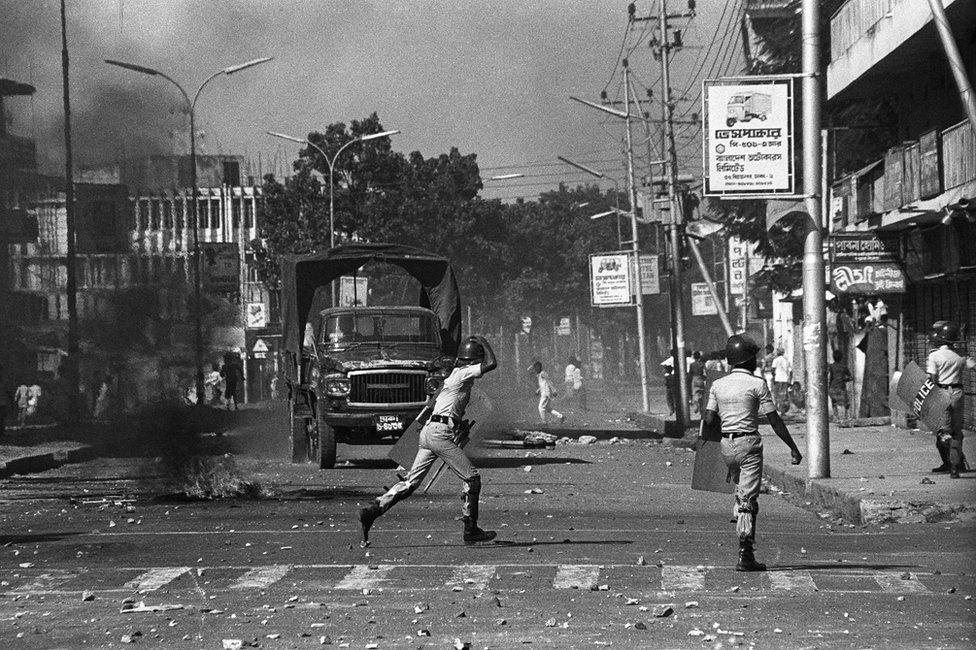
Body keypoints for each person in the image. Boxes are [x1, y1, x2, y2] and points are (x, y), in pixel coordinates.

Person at [358, 336, 499, 546]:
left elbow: (444, 408)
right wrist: (484, 342)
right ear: (471, 361)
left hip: (429, 432)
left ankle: (373, 510)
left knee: (410, 483)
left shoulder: (453, 377)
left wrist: (456, 423)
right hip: (438, 434)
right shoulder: (463, 373)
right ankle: (471, 530)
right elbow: (491, 364)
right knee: (472, 479)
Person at [704, 334, 803, 572]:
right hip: (749, 445)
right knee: (749, 501)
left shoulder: (718, 385)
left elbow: (708, 419)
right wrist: (793, 446)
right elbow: (774, 420)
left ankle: (745, 546)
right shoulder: (758, 384)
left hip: (727, 446)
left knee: (741, 495)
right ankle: (745, 555)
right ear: (749, 360)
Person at [926, 320, 975, 478]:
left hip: (942, 392)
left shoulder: (934, 356)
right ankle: (955, 467)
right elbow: (974, 367)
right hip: (958, 393)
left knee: (943, 432)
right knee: (956, 432)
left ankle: (950, 458)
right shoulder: (961, 355)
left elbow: (932, 379)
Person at [828, 350, 852, 420]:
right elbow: (850, 377)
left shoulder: (831, 366)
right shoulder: (844, 367)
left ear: (833, 357)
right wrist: (844, 380)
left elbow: (829, 377)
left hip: (832, 389)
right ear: (841, 357)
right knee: (846, 403)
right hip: (841, 389)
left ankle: (836, 417)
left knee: (834, 403)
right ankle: (846, 417)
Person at [688, 351, 706, 416]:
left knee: (695, 395)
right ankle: (701, 407)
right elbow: (704, 373)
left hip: (694, 379)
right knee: (702, 395)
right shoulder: (702, 364)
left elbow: (690, 373)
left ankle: (697, 406)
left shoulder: (692, 364)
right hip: (701, 379)